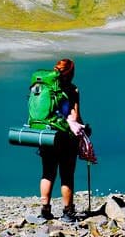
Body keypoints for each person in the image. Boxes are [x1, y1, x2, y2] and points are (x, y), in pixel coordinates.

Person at [39, 58, 81, 222]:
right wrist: (83, 129)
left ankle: (45, 210)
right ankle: (67, 212)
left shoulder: (45, 87)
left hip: (46, 135)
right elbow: (75, 117)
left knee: (48, 173)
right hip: (65, 137)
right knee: (67, 175)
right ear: (70, 73)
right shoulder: (72, 89)